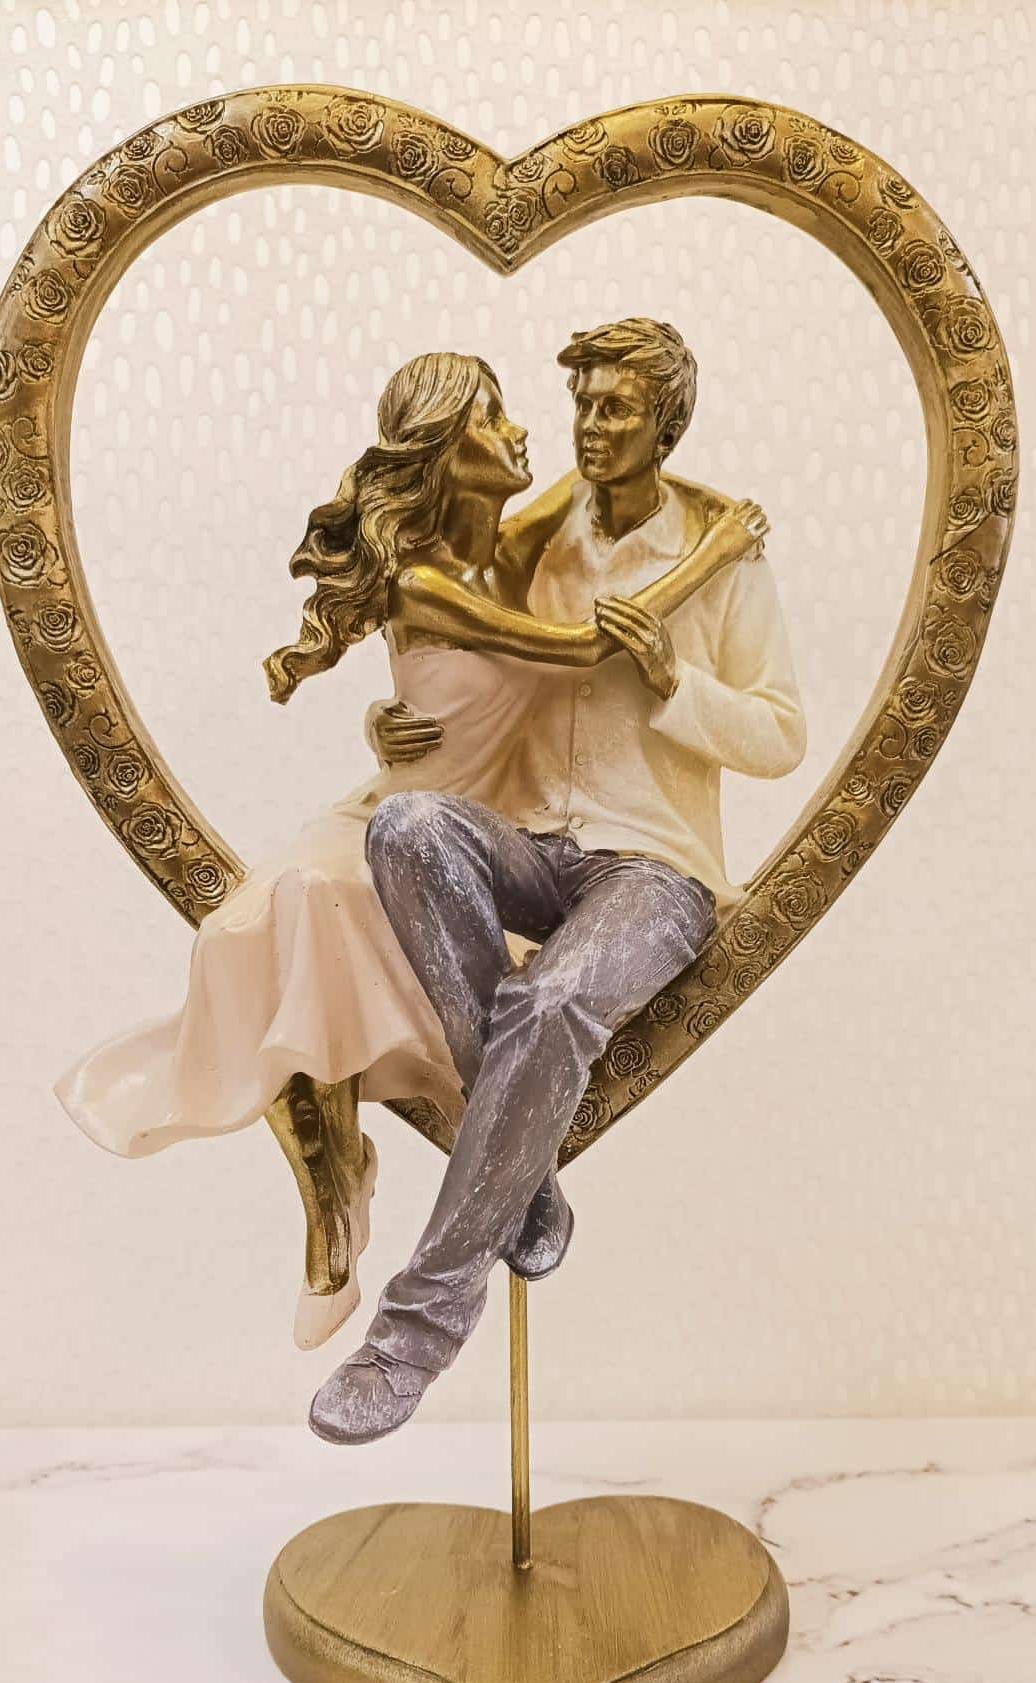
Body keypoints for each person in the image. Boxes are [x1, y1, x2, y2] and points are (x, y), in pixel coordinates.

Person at [55, 350, 766, 1351]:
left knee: (334, 929)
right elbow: (577, 649)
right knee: (276, 920)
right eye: (493, 418)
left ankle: (448, 1183)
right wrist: (717, 549)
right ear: (445, 448)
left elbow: (599, 487)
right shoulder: (424, 577)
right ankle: (332, 1186)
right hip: (396, 820)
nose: (528, 430)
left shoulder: (513, 550)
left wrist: (695, 503)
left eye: (524, 413)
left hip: (479, 833)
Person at [310, 318, 806, 1444]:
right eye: (582, 402)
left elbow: (780, 735)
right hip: (531, 840)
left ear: (666, 425)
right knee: (407, 826)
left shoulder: (727, 559)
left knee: (546, 1000)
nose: (589, 425)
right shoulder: (539, 535)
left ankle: (412, 1332)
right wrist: (388, 716)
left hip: (653, 868)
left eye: (616, 408)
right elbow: (449, 635)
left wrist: (675, 681)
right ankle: (522, 1182)